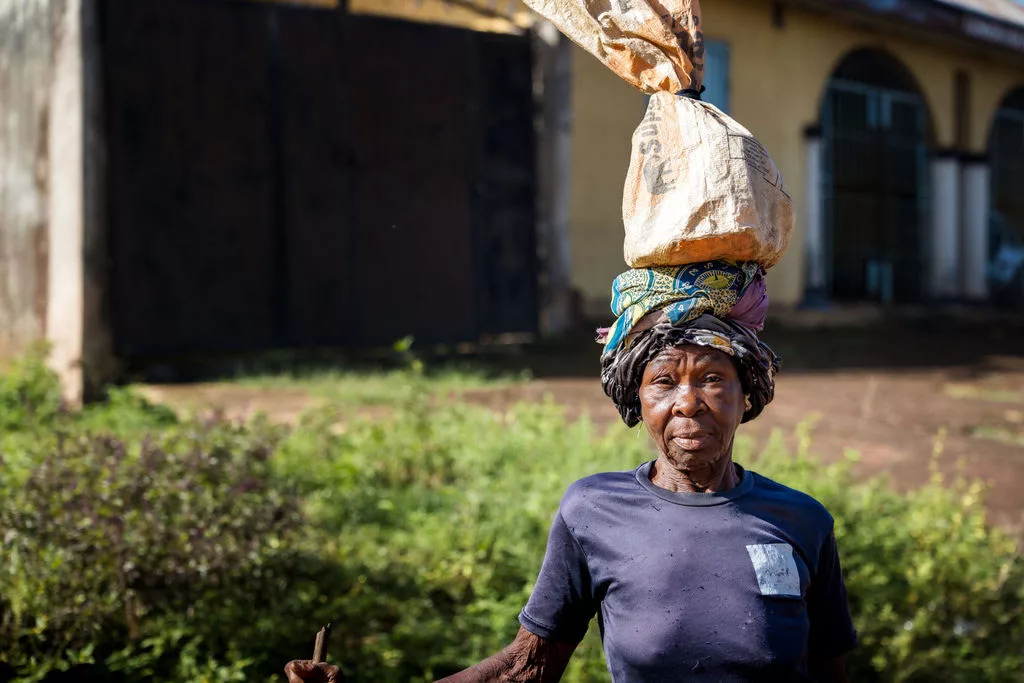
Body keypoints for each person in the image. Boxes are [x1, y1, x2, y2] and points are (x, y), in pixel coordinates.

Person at [286, 262, 857, 683]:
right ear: (638, 400)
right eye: (663, 382)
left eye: (713, 379)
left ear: (745, 396)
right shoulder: (594, 510)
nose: (688, 402)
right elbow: (526, 670)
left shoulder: (801, 521)